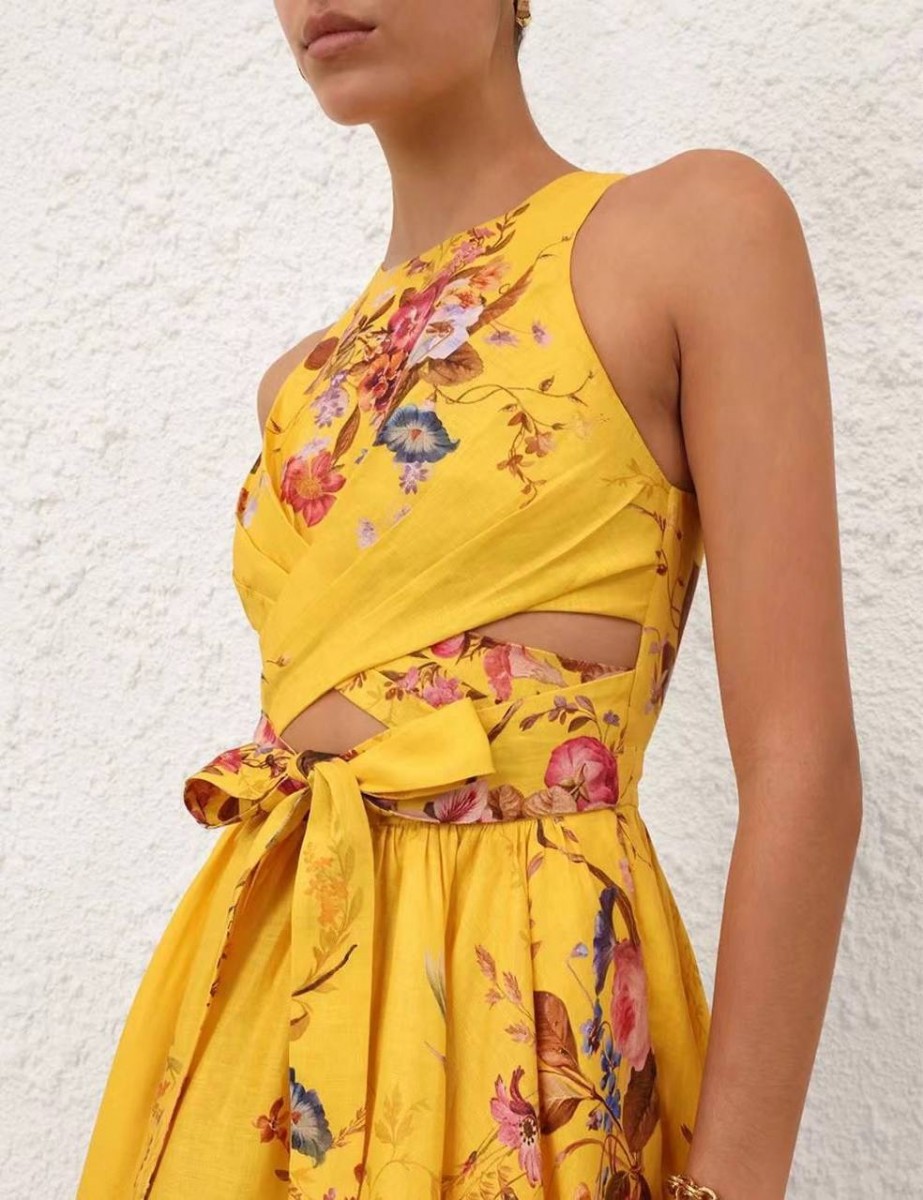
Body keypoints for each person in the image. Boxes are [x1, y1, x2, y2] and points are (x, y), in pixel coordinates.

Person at [76, 2, 863, 1198]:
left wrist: (735, 1184)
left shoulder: (692, 233)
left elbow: (802, 761)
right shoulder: (295, 389)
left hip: (525, 1020)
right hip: (256, 1025)